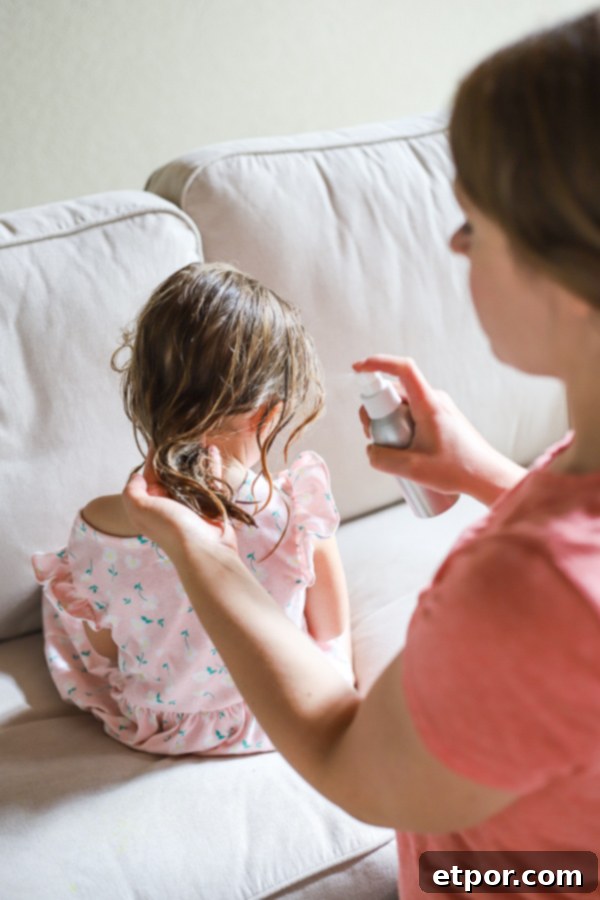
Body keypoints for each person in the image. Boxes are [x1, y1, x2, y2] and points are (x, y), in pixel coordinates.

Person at [119, 11, 600, 897]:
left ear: (566, 277)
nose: (456, 247)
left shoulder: (525, 595)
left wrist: (191, 546)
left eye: (475, 224)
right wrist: (486, 472)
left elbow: (347, 751)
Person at [33, 262, 353, 756]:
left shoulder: (98, 526)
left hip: (161, 726)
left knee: (66, 601)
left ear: (143, 397)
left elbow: (106, 653)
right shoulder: (294, 509)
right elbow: (330, 627)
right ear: (269, 413)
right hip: (281, 717)